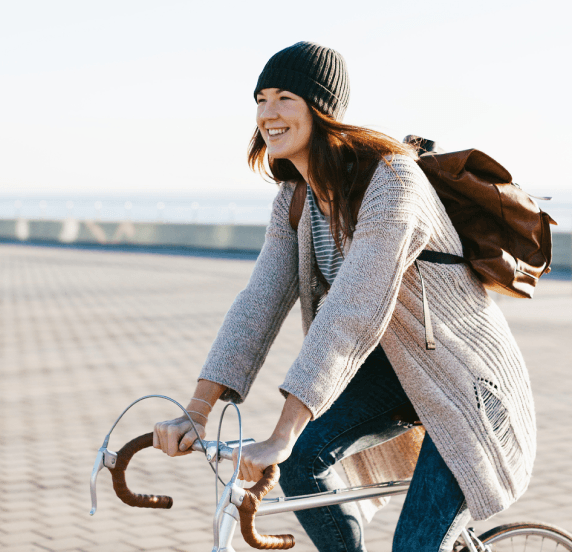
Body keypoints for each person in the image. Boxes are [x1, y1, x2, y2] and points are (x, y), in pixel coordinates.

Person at [153, 41, 537, 552]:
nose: (268, 113)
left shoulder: (392, 180)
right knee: (303, 464)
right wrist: (195, 411)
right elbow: (257, 305)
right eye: (261, 98)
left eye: (285, 98)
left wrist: (283, 432)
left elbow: (352, 312)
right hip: (393, 377)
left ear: (321, 110)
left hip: (465, 389)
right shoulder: (295, 199)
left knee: (415, 545)